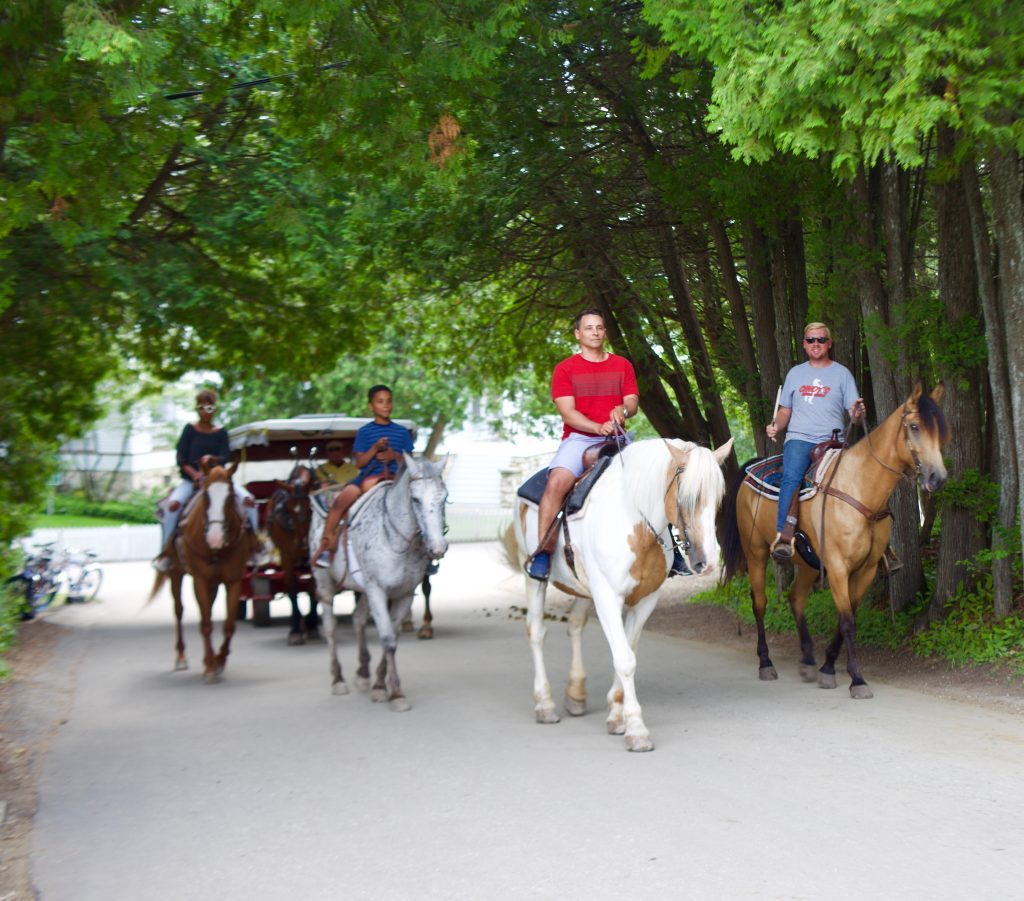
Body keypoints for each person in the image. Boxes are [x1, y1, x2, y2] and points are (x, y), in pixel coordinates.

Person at [525, 308, 645, 581]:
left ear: (605, 332)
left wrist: (621, 411)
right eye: (589, 328)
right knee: (557, 481)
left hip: (618, 438)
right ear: (578, 334)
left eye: (600, 327)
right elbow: (568, 413)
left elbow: (632, 402)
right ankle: (542, 552)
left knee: (656, 476)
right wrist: (596, 426)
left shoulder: (622, 365)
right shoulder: (565, 369)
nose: (595, 332)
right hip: (581, 438)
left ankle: (669, 552)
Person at [766, 322, 864, 563]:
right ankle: (784, 536)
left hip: (833, 441)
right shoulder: (795, 373)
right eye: (811, 340)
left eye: (821, 340)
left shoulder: (842, 373)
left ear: (829, 343)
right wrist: (776, 425)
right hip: (800, 438)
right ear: (804, 344)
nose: (816, 344)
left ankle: (876, 542)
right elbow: (785, 411)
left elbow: (853, 413)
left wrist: (858, 412)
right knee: (792, 477)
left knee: (859, 482)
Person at [153, 388, 259, 571]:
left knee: (250, 503)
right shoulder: (189, 430)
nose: (205, 412)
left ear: (214, 410)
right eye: (201, 408)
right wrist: (194, 474)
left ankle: (255, 546)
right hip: (191, 482)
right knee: (172, 507)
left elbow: (225, 456)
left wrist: (212, 459)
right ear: (197, 409)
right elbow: (181, 457)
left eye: (209, 408)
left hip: (218, 481)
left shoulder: (220, 432)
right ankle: (167, 551)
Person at [313, 384, 415, 568]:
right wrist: (375, 448)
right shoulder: (365, 432)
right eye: (380, 401)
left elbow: (411, 462)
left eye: (389, 401)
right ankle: (326, 547)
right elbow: (359, 463)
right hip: (369, 478)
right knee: (339, 502)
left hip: (397, 480)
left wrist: (394, 456)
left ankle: (425, 552)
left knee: (424, 503)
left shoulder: (402, 432)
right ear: (371, 406)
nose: (386, 405)